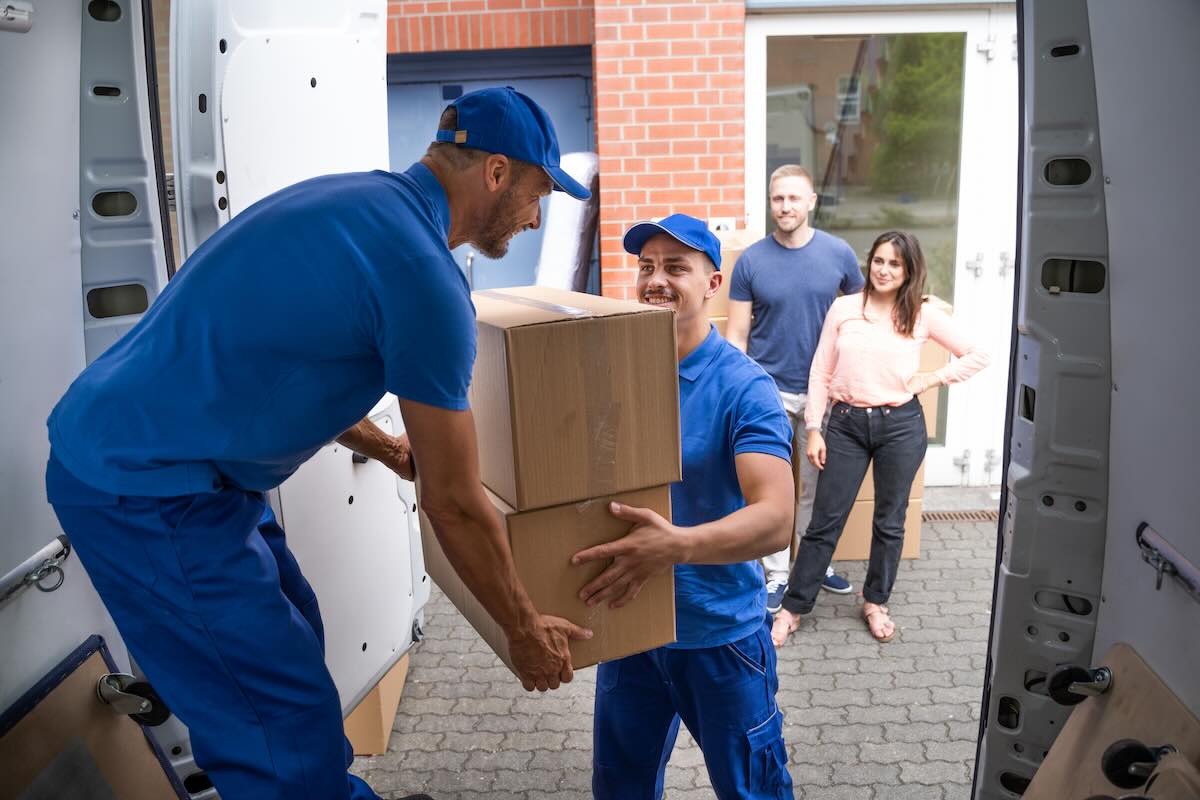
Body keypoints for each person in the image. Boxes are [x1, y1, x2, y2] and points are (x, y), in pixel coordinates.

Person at [43, 87, 594, 800]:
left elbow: (290, 357)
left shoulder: (355, 203)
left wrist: (392, 449)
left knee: (296, 631)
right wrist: (522, 628)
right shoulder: (425, 278)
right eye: (536, 191)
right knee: (275, 720)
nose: (535, 216)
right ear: (495, 172)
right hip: (145, 488)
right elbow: (454, 505)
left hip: (172, 462)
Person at [572, 214, 796, 799]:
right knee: (620, 788)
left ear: (713, 283)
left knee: (753, 791)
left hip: (718, 636)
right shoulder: (620, 377)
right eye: (646, 267)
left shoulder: (744, 388)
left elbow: (776, 518)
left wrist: (675, 546)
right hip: (632, 627)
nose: (656, 281)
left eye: (676, 267)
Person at [771, 231, 990, 646]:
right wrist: (815, 428)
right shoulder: (845, 307)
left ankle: (875, 601)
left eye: (895, 263)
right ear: (867, 264)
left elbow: (978, 355)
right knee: (824, 520)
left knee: (890, 521)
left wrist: (931, 378)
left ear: (908, 271)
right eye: (878, 261)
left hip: (901, 426)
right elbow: (820, 371)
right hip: (847, 424)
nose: (884, 269)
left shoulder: (921, 314)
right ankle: (793, 608)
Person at [725, 164, 866, 614]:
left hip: (825, 392)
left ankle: (813, 564)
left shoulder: (839, 254)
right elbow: (737, 336)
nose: (784, 207)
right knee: (775, 484)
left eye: (793, 198)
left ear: (811, 202)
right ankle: (777, 574)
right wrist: (740, 392)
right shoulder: (751, 261)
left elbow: (863, 318)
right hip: (769, 390)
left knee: (817, 488)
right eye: (777, 199)